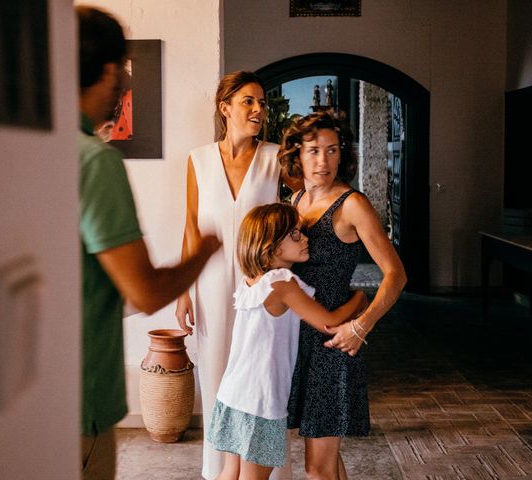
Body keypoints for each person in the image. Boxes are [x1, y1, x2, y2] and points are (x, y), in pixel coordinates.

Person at [76, 7, 220, 479]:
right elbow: (146, 292)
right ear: (112, 70)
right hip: (79, 400)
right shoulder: (95, 161)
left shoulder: (17, 147)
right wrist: (203, 253)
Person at [278, 111, 407, 480]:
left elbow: (396, 275)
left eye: (332, 151)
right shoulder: (295, 200)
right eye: (314, 150)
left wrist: (361, 325)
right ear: (298, 154)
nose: (323, 161)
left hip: (333, 345)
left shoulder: (352, 204)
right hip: (299, 340)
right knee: (328, 463)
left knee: (317, 467)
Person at [174, 70, 283, 479]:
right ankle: (220, 471)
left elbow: (302, 208)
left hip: (262, 285)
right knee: (218, 377)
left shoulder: (275, 158)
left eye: (262, 103)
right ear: (225, 108)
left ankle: (263, 472)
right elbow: (190, 227)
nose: (258, 110)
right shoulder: (198, 160)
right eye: (248, 102)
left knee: (259, 381)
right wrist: (184, 290)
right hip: (210, 285)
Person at [208, 204, 368, 480]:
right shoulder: (282, 283)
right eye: (295, 234)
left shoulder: (250, 282)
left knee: (230, 473)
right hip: (260, 401)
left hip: (233, 395)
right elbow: (327, 323)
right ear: (271, 246)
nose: (306, 239)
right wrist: (360, 300)